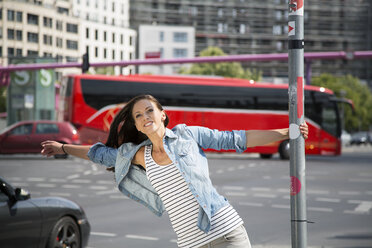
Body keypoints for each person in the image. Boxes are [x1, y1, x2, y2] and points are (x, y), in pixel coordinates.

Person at [41, 94, 308, 248]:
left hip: (226, 231)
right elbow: (99, 154)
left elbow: (236, 139)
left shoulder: (188, 136)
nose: (146, 117)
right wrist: (63, 148)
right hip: (191, 242)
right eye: (139, 116)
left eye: (150, 111)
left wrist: (288, 132)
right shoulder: (138, 156)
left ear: (162, 115)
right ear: (137, 124)